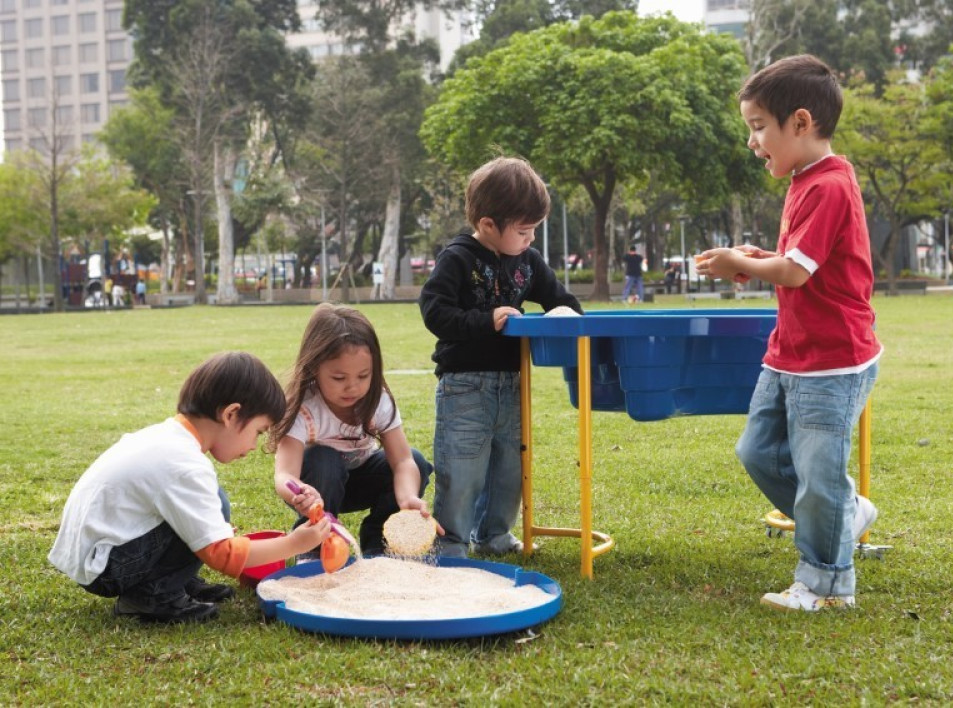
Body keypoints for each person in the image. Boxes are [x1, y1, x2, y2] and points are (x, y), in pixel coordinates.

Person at [696, 54, 882, 612]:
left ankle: (827, 584)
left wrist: (747, 262)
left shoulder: (829, 185)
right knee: (758, 451)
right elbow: (800, 260)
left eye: (759, 127)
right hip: (791, 354)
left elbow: (797, 272)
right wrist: (755, 257)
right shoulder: (804, 179)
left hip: (832, 359)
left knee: (818, 475)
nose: (753, 142)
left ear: (800, 123)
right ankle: (845, 514)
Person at [48, 352, 334, 624]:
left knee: (213, 501)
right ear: (231, 414)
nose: (252, 445)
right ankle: (153, 595)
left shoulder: (167, 437)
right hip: (106, 566)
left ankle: (175, 581)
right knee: (211, 508)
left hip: (97, 552)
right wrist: (295, 544)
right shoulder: (183, 464)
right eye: (257, 432)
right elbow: (221, 554)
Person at [419, 156, 584, 558]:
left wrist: (572, 318)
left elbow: (559, 299)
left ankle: (494, 536)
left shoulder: (528, 262)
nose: (531, 239)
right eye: (524, 230)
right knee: (463, 470)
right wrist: (485, 320)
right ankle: (452, 543)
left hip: (513, 384)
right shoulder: (457, 258)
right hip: (464, 386)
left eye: (535, 230)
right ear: (488, 225)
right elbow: (434, 311)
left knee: (511, 467)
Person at [269, 303, 434, 558]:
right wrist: (300, 491)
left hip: (361, 480)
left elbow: (402, 460)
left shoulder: (378, 400)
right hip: (319, 488)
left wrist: (407, 497)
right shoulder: (304, 408)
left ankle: (378, 542)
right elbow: (284, 475)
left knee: (418, 462)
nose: (352, 388)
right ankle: (314, 545)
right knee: (324, 458)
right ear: (314, 367)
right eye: (339, 378)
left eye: (363, 376)